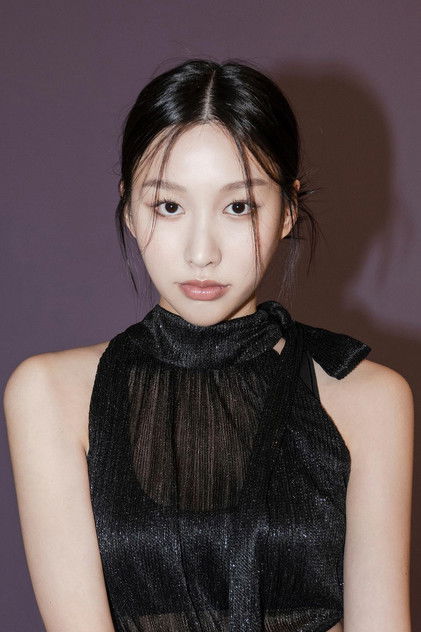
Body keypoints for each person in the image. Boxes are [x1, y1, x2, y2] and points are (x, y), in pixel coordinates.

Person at [3, 59, 413, 632]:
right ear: (129, 208)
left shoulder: (369, 398)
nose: (202, 253)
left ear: (288, 210)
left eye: (238, 206)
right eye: (169, 206)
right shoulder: (50, 395)